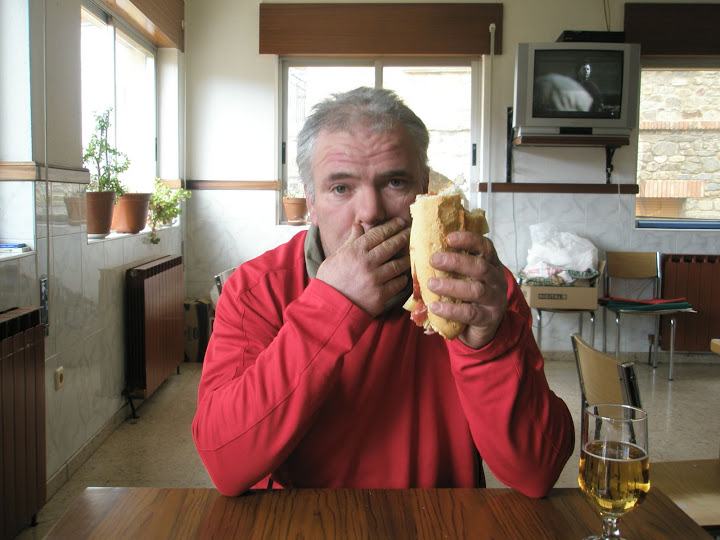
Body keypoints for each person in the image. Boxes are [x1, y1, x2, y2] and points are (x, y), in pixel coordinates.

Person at [192, 87, 575, 499]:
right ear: (311, 203)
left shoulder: (478, 289)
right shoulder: (256, 290)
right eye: (341, 188)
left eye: (394, 182)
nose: (371, 211)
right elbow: (224, 462)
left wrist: (489, 344)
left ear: (424, 189)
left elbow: (537, 471)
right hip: (299, 520)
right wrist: (332, 307)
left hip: (440, 520)